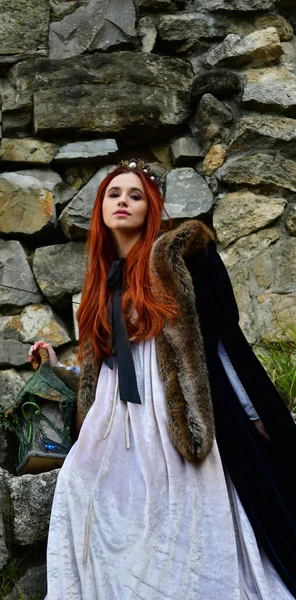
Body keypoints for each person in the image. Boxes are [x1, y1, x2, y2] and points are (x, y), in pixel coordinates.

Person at [29, 159, 296, 599]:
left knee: (184, 508)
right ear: (100, 209)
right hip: (116, 419)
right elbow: (110, 367)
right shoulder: (99, 281)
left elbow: (221, 340)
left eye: (135, 195)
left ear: (150, 207)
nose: (123, 202)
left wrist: (251, 409)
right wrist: (57, 367)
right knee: (79, 483)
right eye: (114, 194)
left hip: (171, 409)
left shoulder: (176, 259)